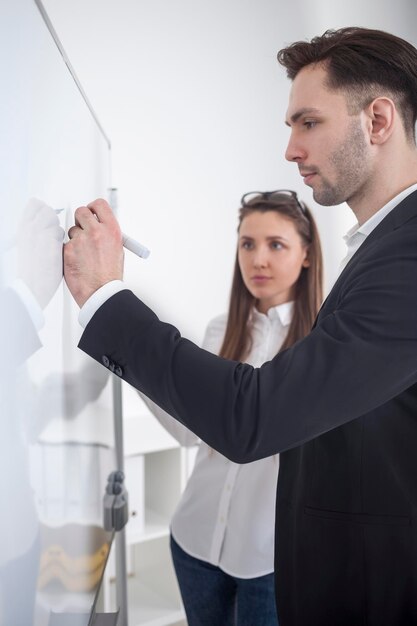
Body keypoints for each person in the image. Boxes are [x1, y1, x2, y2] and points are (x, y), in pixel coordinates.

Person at [63, 26, 417, 626]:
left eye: (308, 122)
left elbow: (252, 417)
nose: (291, 149)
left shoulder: (407, 255)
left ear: (377, 121)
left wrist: (105, 297)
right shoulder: (383, 246)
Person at [138, 190, 322, 626]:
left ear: (307, 255)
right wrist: (140, 366)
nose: (258, 259)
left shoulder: (322, 344)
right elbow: (190, 432)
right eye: (247, 244)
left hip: (270, 561)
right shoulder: (220, 329)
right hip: (194, 541)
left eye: (275, 244)